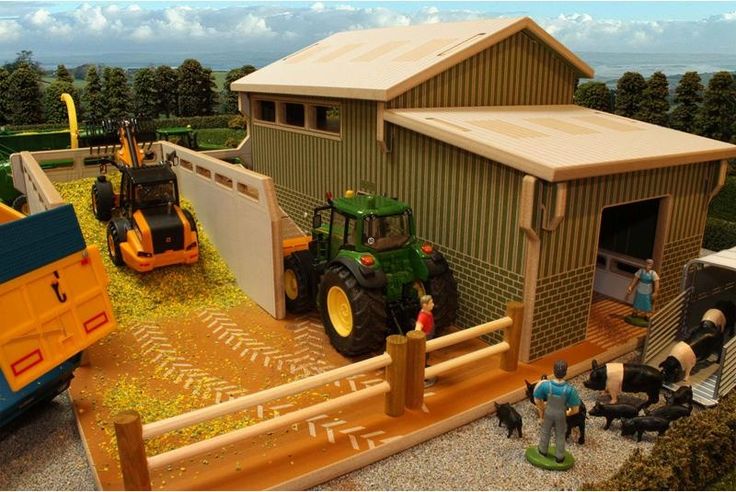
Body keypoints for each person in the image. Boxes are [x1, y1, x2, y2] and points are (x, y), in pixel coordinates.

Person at [533, 360, 581, 463]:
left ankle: (542, 451)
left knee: (545, 432)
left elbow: (537, 399)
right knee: (560, 435)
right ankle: (559, 457)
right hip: (561, 415)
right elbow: (575, 409)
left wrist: (543, 408)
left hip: (548, 413)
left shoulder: (545, 386)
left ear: (553, 371)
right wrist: (567, 413)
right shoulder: (570, 390)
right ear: (566, 372)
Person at [415, 294, 437, 387]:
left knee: (426, 356)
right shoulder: (422, 317)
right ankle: (421, 376)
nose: (433, 304)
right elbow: (417, 329)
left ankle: (424, 368)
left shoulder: (428, 313)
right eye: (431, 303)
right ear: (425, 305)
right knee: (422, 357)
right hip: (424, 339)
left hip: (429, 338)